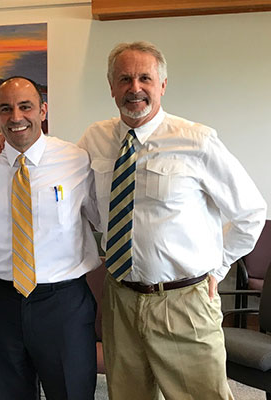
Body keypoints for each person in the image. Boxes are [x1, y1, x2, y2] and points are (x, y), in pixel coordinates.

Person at [76, 42, 267, 399]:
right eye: (125, 78)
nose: (135, 88)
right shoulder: (95, 139)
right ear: (111, 86)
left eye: (145, 78)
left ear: (162, 85)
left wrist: (219, 268)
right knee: (128, 394)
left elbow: (250, 212)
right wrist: (7, 147)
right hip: (120, 298)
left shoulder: (197, 140)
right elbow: (76, 190)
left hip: (184, 300)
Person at [0, 76, 101, 399]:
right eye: (5, 109)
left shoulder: (77, 160)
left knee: (72, 392)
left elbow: (99, 214)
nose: (16, 117)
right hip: (1, 302)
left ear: (43, 110)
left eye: (25, 107)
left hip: (63, 303)